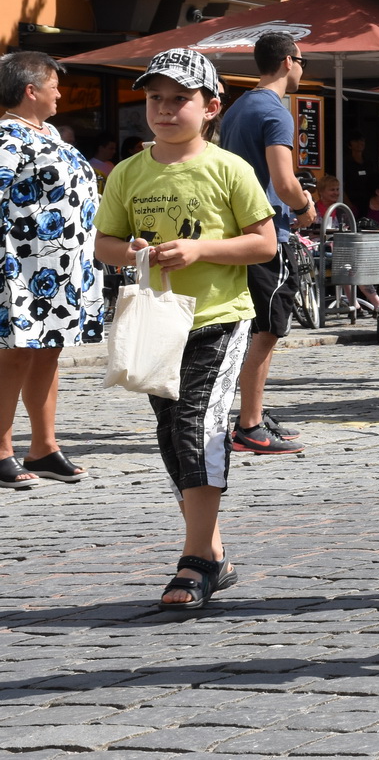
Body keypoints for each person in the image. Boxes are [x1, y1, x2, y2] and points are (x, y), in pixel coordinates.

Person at [93, 49, 277, 608]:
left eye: (180, 99)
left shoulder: (230, 168)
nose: (165, 109)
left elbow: (264, 243)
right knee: (173, 434)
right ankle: (213, 550)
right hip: (156, 323)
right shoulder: (129, 172)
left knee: (198, 427)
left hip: (218, 319)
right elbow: (104, 244)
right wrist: (133, 252)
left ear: (211, 107)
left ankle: (194, 560)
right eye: (156, 99)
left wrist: (200, 249)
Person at [0, 52, 104, 489]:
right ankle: (0, 450)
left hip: (61, 266)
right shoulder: (7, 136)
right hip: (23, 266)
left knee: (49, 350)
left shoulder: (49, 134)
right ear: (31, 90)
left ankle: (43, 447)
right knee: (16, 354)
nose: (60, 94)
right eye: (54, 86)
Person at [213, 31, 314, 456]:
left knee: (255, 328)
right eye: (303, 61)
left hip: (239, 229)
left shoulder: (238, 107)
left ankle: (251, 414)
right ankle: (249, 425)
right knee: (268, 329)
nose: (303, 68)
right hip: (269, 232)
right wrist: (305, 205)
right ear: (288, 61)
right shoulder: (275, 110)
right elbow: (284, 181)